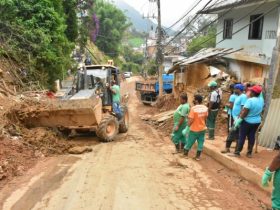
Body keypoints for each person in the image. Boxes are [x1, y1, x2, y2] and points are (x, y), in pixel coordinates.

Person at [234, 85, 264, 157]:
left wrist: (239, 120)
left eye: (250, 91)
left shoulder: (250, 100)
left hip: (247, 121)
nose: (249, 92)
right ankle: (249, 152)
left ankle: (237, 152)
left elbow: (245, 112)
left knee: (242, 136)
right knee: (251, 136)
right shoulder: (261, 100)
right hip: (256, 121)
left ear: (253, 92)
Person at [221, 84, 247, 153]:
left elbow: (243, 108)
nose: (234, 90)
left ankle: (235, 150)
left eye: (235, 89)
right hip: (235, 117)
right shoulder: (238, 96)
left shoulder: (243, 97)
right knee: (233, 133)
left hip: (238, 119)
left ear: (239, 89)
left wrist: (239, 118)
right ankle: (228, 148)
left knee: (235, 133)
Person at [184, 95, 208, 161]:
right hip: (202, 128)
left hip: (194, 129)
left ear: (196, 100)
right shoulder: (205, 108)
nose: (193, 100)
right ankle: (197, 157)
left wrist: (187, 127)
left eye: (194, 99)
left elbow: (191, 120)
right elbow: (205, 118)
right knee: (200, 142)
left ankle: (185, 154)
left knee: (190, 141)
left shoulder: (193, 109)